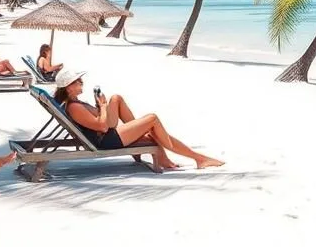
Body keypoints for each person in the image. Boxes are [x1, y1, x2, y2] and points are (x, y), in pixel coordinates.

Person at [52, 68, 223, 170]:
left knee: (116, 98)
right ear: (68, 87)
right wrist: (103, 106)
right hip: (107, 139)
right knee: (152, 119)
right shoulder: (73, 107)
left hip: (108, 134)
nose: (81, 82)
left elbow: (97, 122)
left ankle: (147, 140)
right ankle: (192, 157)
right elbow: (102, 127)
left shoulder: (75, 103)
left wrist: (100, 106)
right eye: (78, 81)